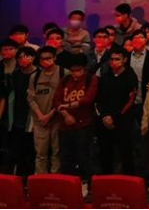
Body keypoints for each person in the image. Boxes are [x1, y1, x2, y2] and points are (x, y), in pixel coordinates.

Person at [53, 53, 98, 196]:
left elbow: (87, 99)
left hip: (84, 124)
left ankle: (86, 184)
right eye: (72, 71)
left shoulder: (91, 79)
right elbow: (56, 100)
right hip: (65, 125)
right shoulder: (65, 80)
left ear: (84, 69)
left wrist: (67, 106)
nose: (75, 74)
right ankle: (68, 184)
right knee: (66, 157)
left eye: (78, 70)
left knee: (84, 156)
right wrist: (66, 114)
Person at [97, 47, 139, 175]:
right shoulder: (105, 77)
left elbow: (129, 102)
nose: (114, 62)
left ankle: (129, 179)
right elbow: (100, 99)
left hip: (123, 120)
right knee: (105, 152)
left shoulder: (131, 77)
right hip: (105, 121)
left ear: (124, 60)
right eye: (112, 59)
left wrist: (114, 117)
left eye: (117, 59)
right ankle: (106, 179)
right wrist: (104, 116)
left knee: (126, 152)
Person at [27, 47, 64, 174]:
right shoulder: (35, 76)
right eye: (42, 59)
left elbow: (64, 99)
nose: (45, 61)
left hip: (58, 119)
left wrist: (50, 115)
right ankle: (40, 180)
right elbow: (31, 98)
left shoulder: (64, 73)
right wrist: (40, 116)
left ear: (55, 58)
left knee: (57, 153)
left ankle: (56, 179)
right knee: (40, 154)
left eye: (48, 58)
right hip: (40, 121)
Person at [9, 46, 37, 177]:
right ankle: (18, 180)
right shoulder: (15, 74)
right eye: (20, 57)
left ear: (33, 58)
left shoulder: (39, 73)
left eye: (26, 56)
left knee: (32, 152)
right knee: (17, 152)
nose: (23, 59)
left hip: (34, 118)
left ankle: (30, 180)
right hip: (17, 118)